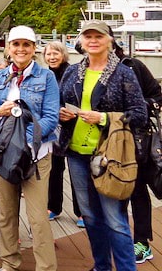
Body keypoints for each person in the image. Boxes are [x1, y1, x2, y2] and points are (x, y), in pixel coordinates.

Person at [58, 20, 147, 271]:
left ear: (109, 40)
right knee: (90, 217)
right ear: (81, 42)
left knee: (115, 219)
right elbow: (61, 103)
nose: (93, 40)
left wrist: (104, 118)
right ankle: (101, 266)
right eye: (88, 36)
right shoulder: (72, 72)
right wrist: (61, 114)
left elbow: (139, 113)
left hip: (110, 155)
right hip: (76, 153)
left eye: (99, 36)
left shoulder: (123, 73)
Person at [0, 25, 59, 271]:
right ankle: (9, 262)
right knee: (6, 213)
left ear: (34, 48)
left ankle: (46, 267)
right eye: (16, 44)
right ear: (8, 49)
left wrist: (23, 140)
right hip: (3, 155)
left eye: (26, 44)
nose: (21, 49)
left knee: (37, 219)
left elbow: (51, 117)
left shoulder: (47, 77)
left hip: (35, 156)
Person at [109, 29, 162, 264]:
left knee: (140, 190)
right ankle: (121, 241)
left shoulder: (133, 66)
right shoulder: (87, 72)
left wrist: (140, 105)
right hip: (109, 143)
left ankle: (141, 241)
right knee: (118, 192)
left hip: (140, 140)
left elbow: (158, 96)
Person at [43, 41, 83, 227]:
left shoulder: (73, 73)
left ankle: (81, 211)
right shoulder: (44, 74)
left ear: (63, 55)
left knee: (77, 171)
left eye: (55, 54)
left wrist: (71, 112)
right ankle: (54, 206)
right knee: (55, 169)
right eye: (48, 54)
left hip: (73, 125)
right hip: (53, 127)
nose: (52, 57)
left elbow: (80, 97)